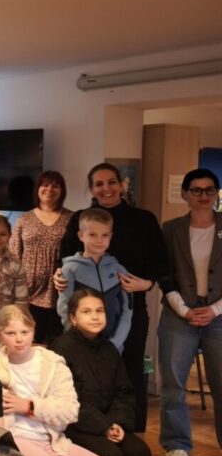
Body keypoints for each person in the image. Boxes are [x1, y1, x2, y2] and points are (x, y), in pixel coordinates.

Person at [0, 306, 125, 456]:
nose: (19, 339)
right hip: (19, 441)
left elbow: (70, 411)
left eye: (24, 332)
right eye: (11, 333)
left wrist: (30, 406)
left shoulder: (52, 363)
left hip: (53, 440)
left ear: (33, 330)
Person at [59, 162, 168, 432]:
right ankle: (91, 431)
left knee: (129, 372)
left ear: (122, 185)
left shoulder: (144, 219)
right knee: (87, 377)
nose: (105, 188)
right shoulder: (80, 218)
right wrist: (58, 277)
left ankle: (130, 432)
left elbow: (161, 262)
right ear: (91, 189)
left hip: (127, 313)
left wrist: (147, 283)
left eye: (111, 182)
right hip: (85, 319)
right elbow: (64, 261)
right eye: (98, 184)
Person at [52, 290, 151, 456]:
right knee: (110, 454)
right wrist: (104, 426)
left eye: (100, 311)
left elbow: (124, 390)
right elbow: (69, 400)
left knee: (139, 452)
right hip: (74, 424)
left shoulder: (109, 349)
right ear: (73, 318)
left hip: (108, 422)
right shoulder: (61, 348)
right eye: (87, 312)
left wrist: (117, 423)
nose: (95, 317)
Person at [158, 168, 222, 456]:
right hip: (178, 316)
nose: (203, 195)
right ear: (185, 194)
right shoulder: (171, 229)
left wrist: (215, 310)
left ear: (216, 193)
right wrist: (183, 309)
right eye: (196, 190)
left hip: (219, 316)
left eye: (209, 189)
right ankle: (177, 444)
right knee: (173, 383)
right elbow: (164, 274)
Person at [9, 170, 73, 344]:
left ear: (62, 191)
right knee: (29, 342)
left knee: (57, 345)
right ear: (37, 189)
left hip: (60, 291)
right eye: (45, 185)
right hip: (28, 293)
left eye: (55, 186)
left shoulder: (72, 218)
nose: (49, 189)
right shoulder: (24, 219)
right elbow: (13, 255)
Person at [58, 208, 132, 352]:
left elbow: (127, 312)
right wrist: (78, 341)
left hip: (113, 348)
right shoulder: (70, 270)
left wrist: (115, 343)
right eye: (92, 235)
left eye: (104, 235)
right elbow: (64, 308)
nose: (99, 240)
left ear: (111, 236)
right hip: (79, 347)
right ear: (81, 236)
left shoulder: (119, 270)